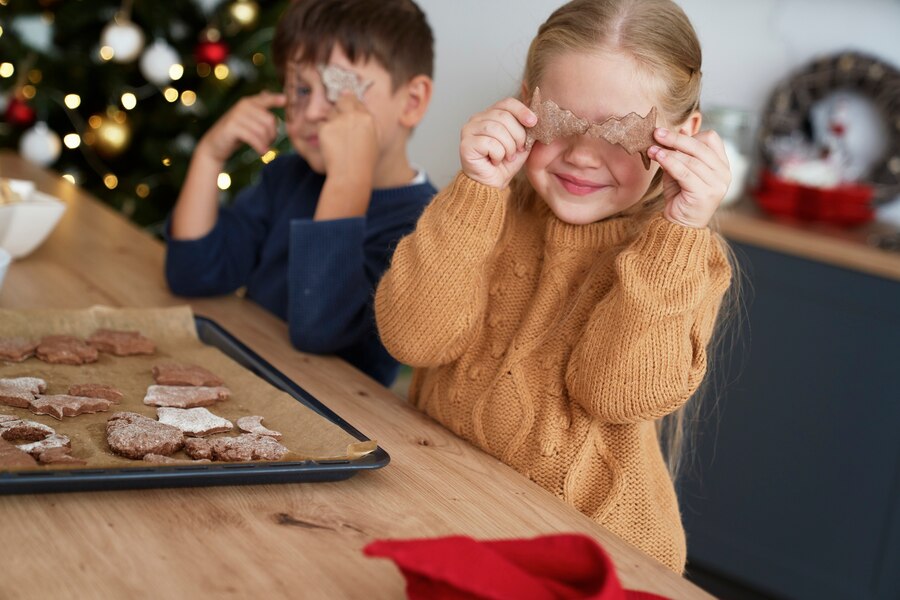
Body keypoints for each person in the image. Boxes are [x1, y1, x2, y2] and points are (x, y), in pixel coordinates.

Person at [375, 0, 734, 573]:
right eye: (561, 121)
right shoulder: (484, 207)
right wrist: (475, 191)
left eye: (622, 133)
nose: (583, 156)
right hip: (445, 505)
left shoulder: (685, 257)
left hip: (592, 557)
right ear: (526, 104)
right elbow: (413, 340)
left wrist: (679, 232)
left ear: (682, 138)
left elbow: (617, 394)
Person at [165, 0, 436, 387]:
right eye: (302, 89)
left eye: (339, 90)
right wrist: (209, 155)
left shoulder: (427, 227)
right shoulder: (288, 177)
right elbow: (192, 274)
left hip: (338, 423)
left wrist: (347, 180)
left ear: (411, 102)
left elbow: (321, 333)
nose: (310, 112)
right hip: (242, 389)